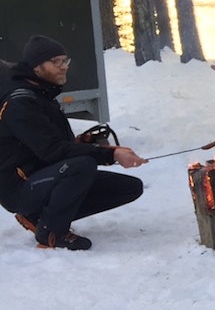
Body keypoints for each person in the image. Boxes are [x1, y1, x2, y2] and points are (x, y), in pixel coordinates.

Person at [0, 35, 146, 250]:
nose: (63, 67)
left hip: (42, 175)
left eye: (64, 60)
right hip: (20, 187)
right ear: (36, 67)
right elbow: (52, 151)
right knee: (81, 166)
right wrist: (110, 154)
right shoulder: (20, 102)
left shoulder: (42, 95)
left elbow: (54, 144)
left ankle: (39, 216)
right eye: (56, 62)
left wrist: (83, 143)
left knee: (128, 188)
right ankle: (51, 232)